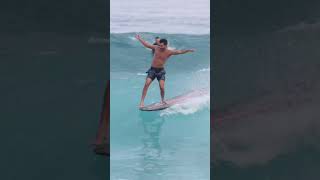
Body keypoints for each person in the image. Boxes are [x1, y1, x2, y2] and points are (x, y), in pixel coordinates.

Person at [135, 34, 195, 108]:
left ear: (166, 45)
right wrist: (139, 39)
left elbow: (179, 52)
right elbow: (147, 45)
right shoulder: (156, 47)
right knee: (146, 84)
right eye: (160, 45)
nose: (160, 46)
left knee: (162, 87)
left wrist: (188, 50)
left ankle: (162, 101)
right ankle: (142, 102)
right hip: (152, 70)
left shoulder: (169, 52)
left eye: (162, 45)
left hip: (160, 71)